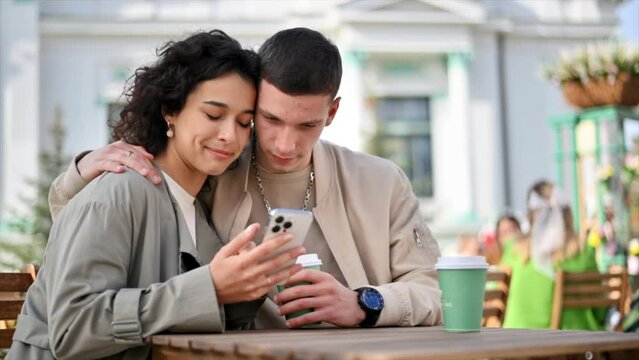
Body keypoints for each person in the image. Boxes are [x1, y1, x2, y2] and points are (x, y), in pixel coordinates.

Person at [48, 27, 443, 329]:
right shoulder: (213, 170)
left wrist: (363, 304)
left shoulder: (381, 181)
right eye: (269, 120)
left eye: (308, 124)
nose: (285, 143)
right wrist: (80, 172)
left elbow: (440, 291)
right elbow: (102, 223)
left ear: (333, 113)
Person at [8, 30, 305, 359]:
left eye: (243, 122)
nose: (229, 136)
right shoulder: (120, 190)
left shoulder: (199, 211)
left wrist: (245, 289)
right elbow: (72, 327)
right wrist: (210, 288)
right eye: (213, 115)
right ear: (170, 110)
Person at [500, 180, 604, 330]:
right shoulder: (583, 252)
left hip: (517, 342)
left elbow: (498, 301)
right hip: (578, 341)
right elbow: (600, 310)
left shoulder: (515, 251)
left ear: (531, 216)